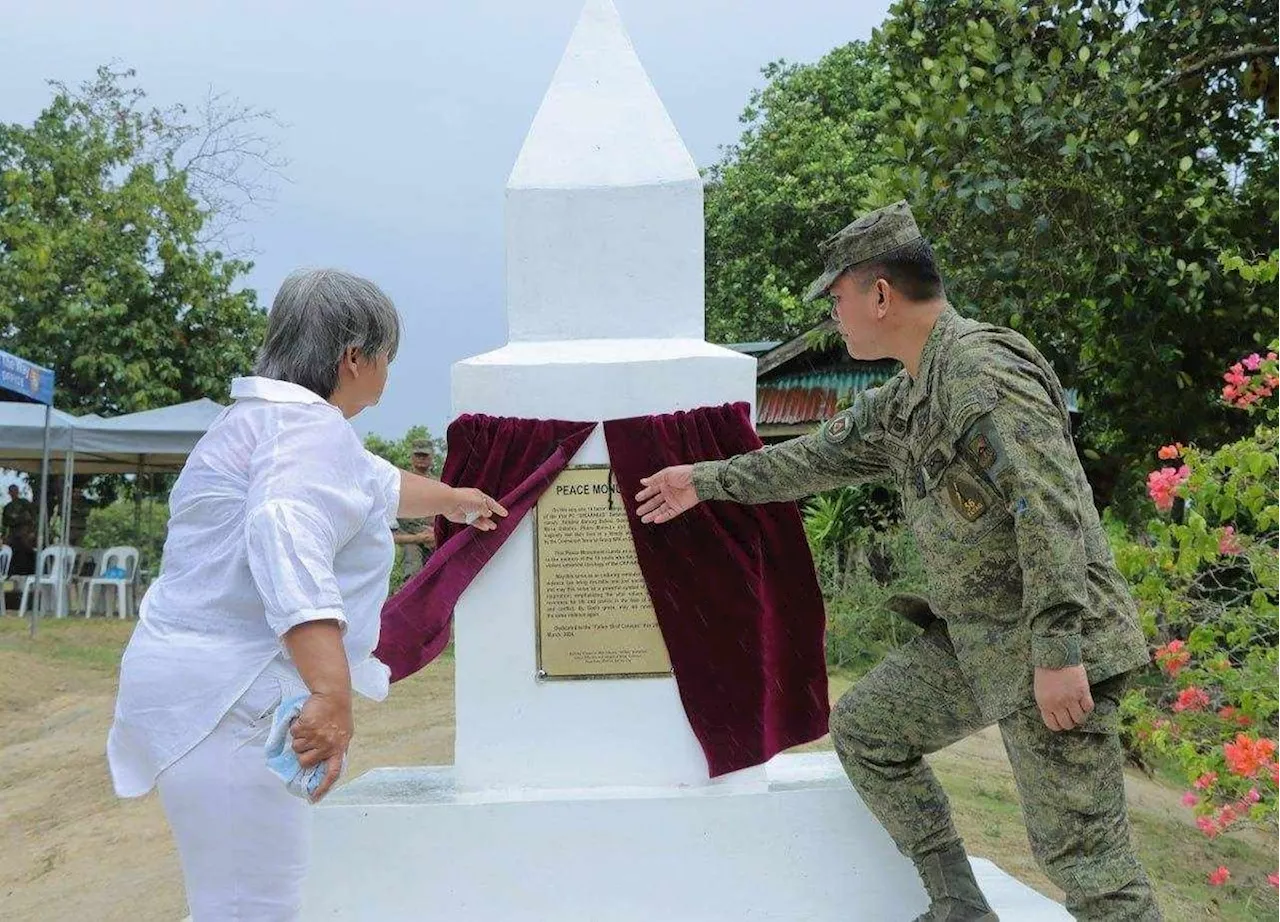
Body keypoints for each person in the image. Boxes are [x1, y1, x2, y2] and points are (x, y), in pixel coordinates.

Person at [636, 202, 1160, 921]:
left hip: (1047, 648)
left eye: (837, 296)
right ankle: (959, 906)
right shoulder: (908, 396)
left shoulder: (980, 373)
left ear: (880, 294)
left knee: (1088, 865)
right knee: (870, 730)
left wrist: (1060, 648)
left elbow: (1053, 508)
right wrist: (703, 482)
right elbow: (815, 459)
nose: (833, 314)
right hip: (980, 645)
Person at [107, 269, 507, 921]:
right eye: (387, 358)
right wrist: (330, 693)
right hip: (234, 702)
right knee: (251, 904)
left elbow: (371, 482)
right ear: (354, 357)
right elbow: (284, 532)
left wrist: (454, 501)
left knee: (238, 898)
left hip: (211, 696)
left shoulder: (278, 423)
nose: (387, 373)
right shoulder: (303, 436)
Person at [392, 439, 438, 580]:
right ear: (411, 457)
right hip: (408, 536)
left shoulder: (439, 484)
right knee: (413, 570)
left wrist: (435, 534)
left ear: (431, 458)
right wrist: (417, 538)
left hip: (434, 536)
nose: (421, 459)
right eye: (418, 455)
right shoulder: (400, 482)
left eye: (425, 456)